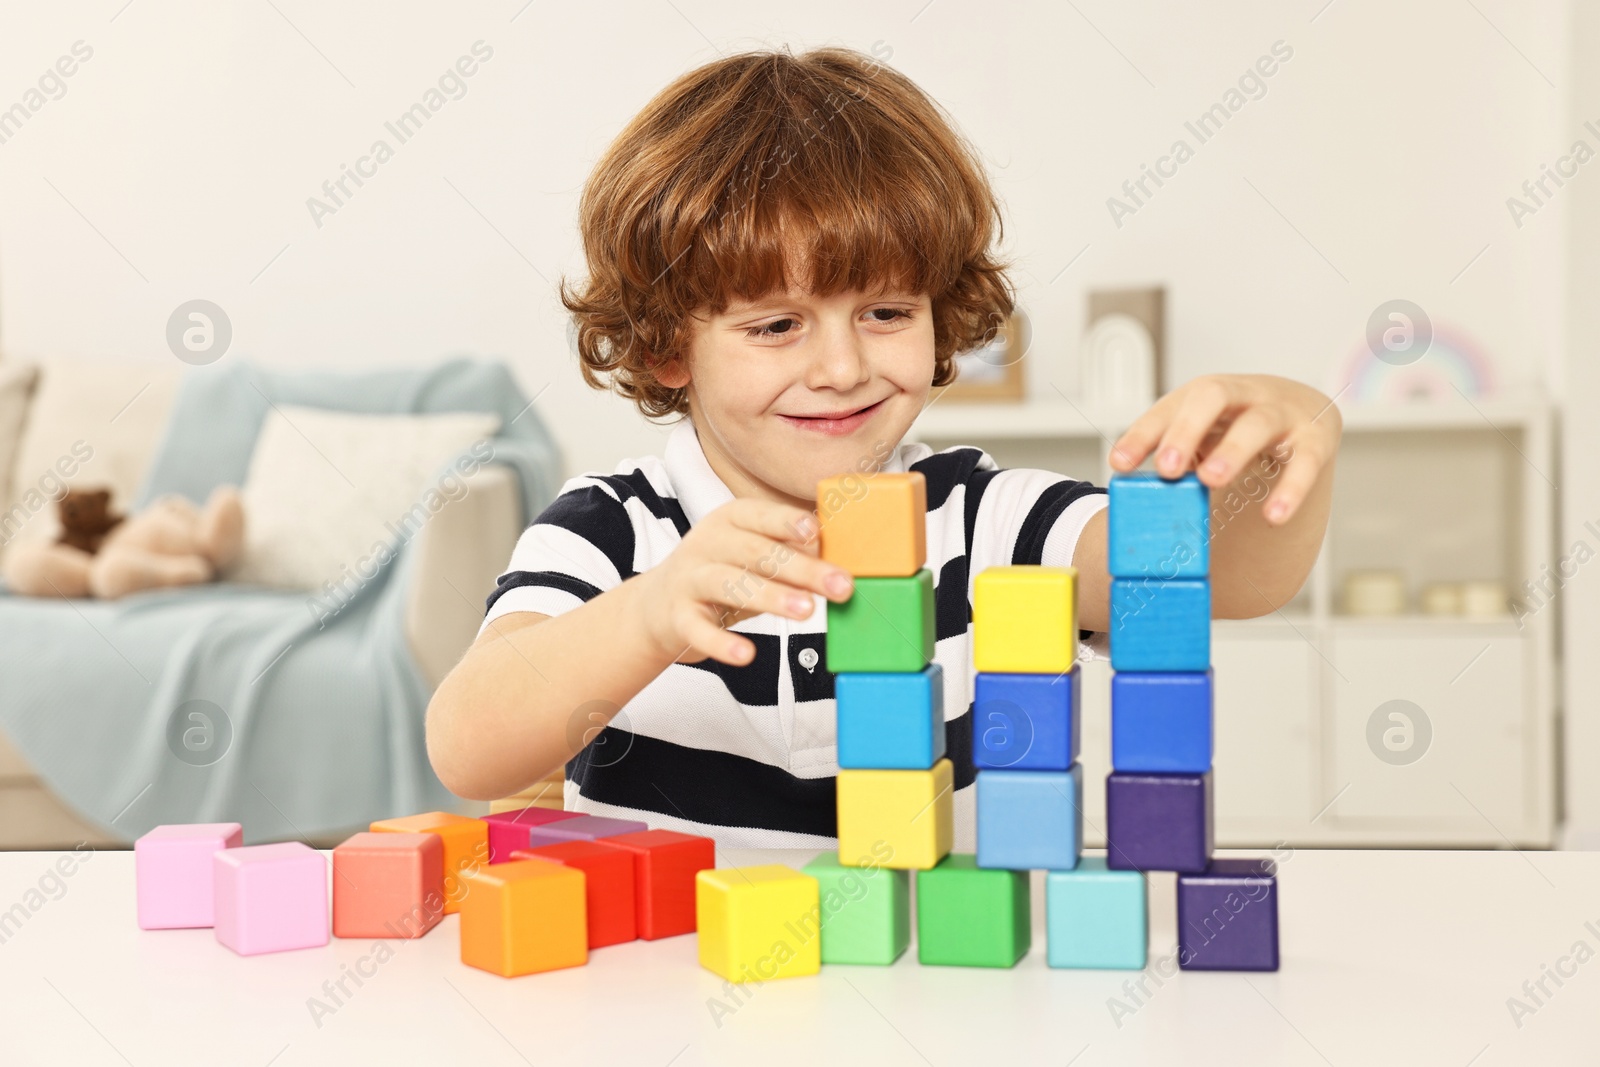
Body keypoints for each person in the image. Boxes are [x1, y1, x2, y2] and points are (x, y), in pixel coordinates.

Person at [425, 46, 1340, 848]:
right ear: (668, 346)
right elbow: (470, 745)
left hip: (932, 986)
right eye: (778, 324)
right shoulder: (613, 531)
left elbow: (1225, 576)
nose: (841, 366)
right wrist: (651, 615)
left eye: (887, 312)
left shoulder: (983, 518)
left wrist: (1294, 439)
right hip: (674, 992)